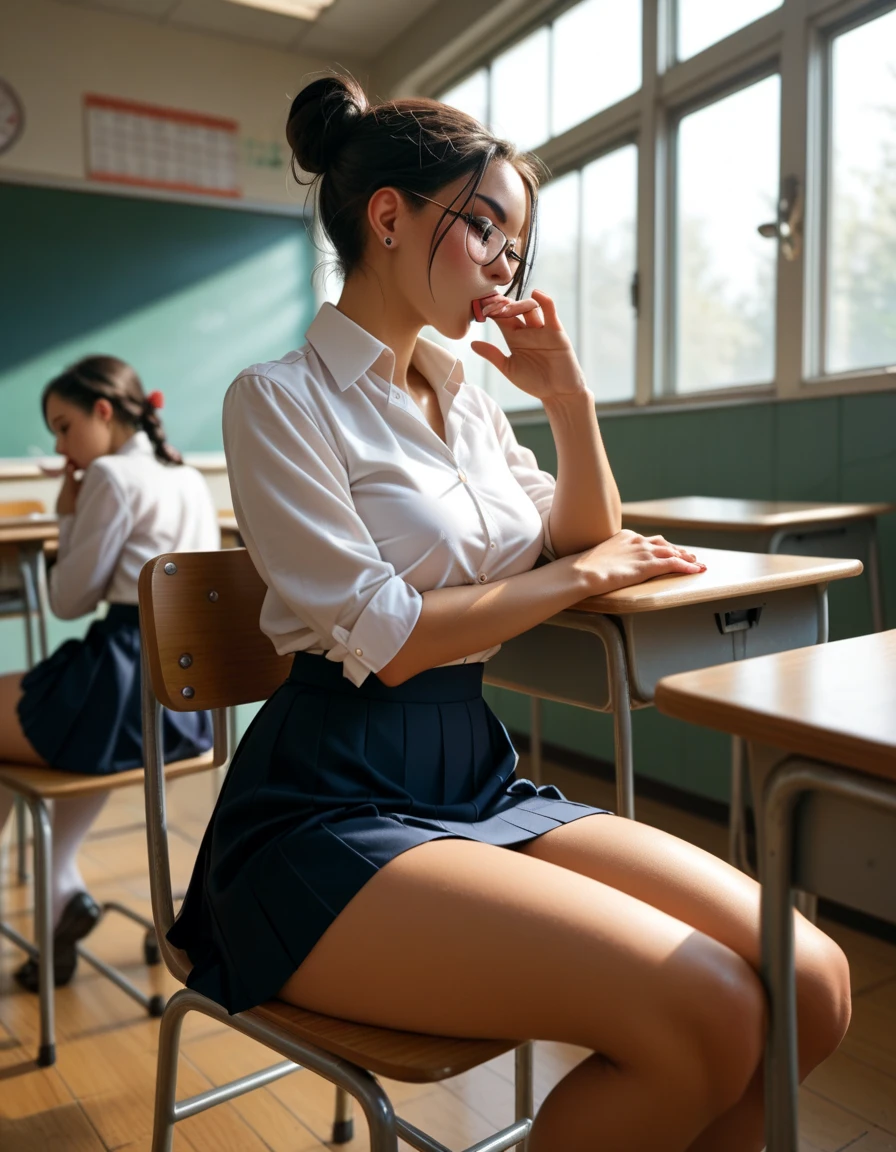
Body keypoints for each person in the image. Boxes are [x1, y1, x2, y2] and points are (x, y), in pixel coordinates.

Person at [168, 76, 850, 1151]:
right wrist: (578, 580)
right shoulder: (280, 398)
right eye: (482, 228)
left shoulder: (470, 398)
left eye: (513, 244)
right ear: (387, 217)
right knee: (706, 1011)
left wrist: (567, 399)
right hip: (327, 804)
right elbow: (389, 640)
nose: (503, 264)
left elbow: (579, 533)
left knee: (808, 981)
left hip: (470, 773)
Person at [0, 355, 219, 990]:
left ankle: (59, 891)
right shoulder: (185, 478)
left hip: (118, 690)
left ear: (103, 411)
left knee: (50, 724)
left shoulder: (109, 479)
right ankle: (60, 886)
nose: (62, 447)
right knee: (70, 739)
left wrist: (66, 511)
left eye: (64, 427)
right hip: (183, 705)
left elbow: (68, 601)